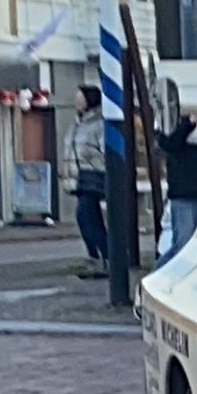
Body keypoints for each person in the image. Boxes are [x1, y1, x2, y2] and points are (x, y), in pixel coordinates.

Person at [157, 88, 197, 258]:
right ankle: (157, 278)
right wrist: (189, 122)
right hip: (185, 192)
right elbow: (168, 144)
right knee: (183, 245)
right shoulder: (173, 120)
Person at [64, 94, 109, 276]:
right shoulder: (77, 123)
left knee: (89, 217)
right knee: (84, 218)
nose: (76, 100)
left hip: (93, 174)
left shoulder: (98, 123)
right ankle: (96, 257)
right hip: (77, 176)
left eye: (80, 96)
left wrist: (91, 157)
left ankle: (105, 259)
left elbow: (105, 149)